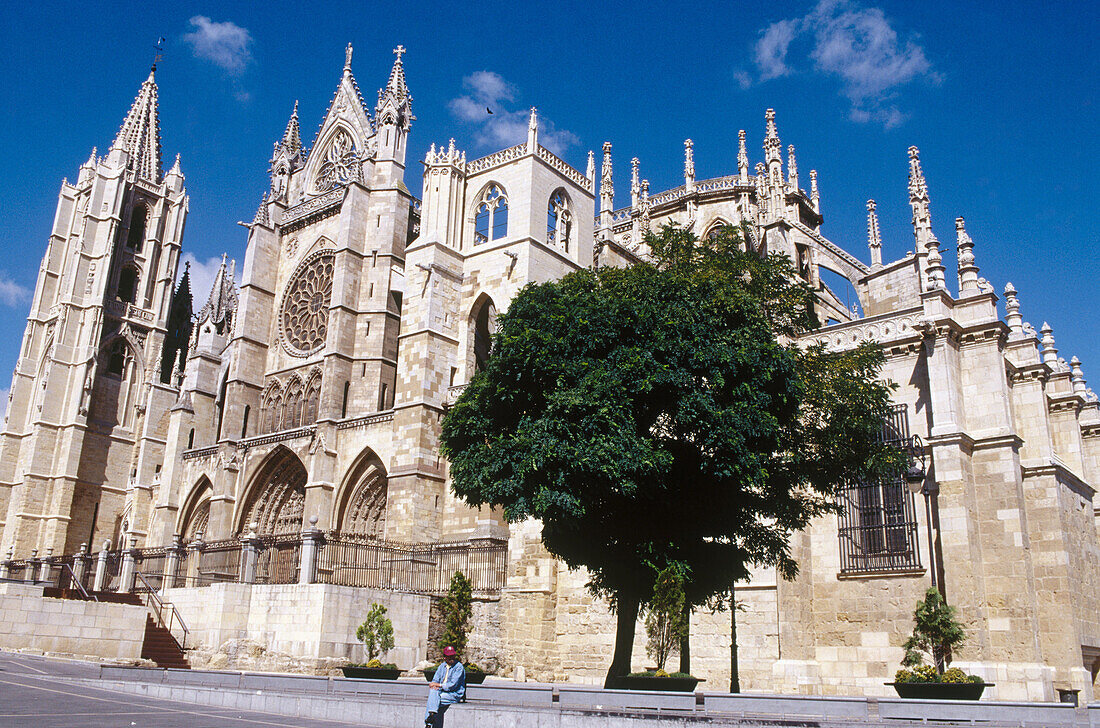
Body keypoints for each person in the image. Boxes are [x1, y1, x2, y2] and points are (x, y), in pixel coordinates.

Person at [423, 646, 465, 728]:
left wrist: (438, 685)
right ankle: (431, 717)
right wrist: (434, 685)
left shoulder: (459, 667)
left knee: (434, 700)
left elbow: (452, 685)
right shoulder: (442, 666)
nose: (451, 658)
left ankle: (429, 722)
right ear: (444, 657)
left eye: (453, 656)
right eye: (449, 656)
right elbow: (435, 680)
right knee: (433, 693)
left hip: (454, 694)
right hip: (441, 691)